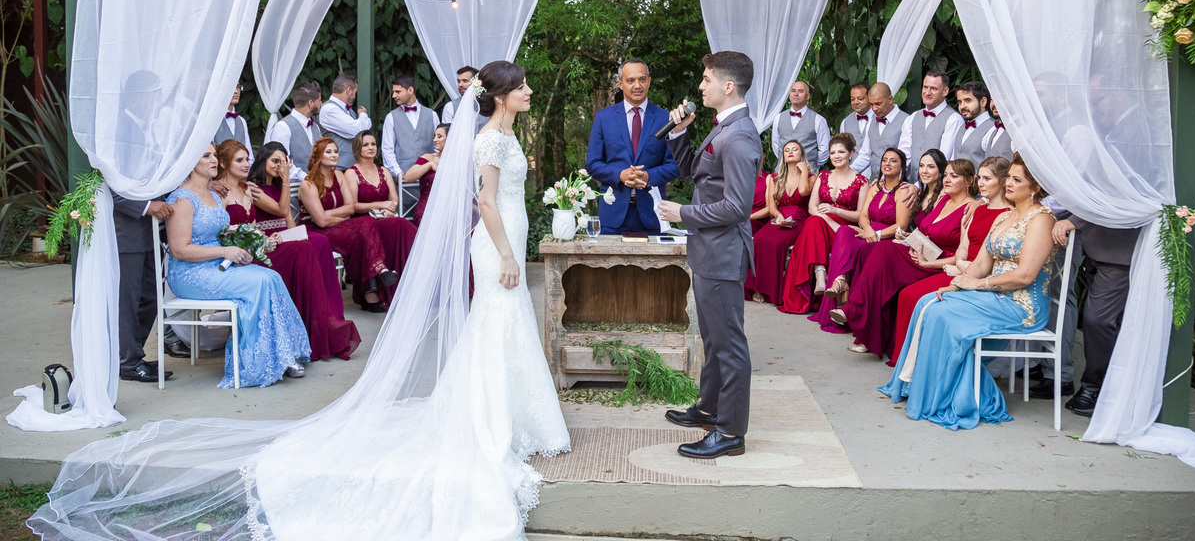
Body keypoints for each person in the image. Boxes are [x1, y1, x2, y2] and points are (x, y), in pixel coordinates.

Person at [27, 66, 572, 540]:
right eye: (520, 86)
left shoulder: (501, 136)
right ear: (499, 95)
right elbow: (484, 199)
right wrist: (504, 251)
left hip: (503, 232)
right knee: (492, 319)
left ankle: (509, 409)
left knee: (503, 321)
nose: (528, 91)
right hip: (491, 241)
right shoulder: (488, 143)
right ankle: (486, 412)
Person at [879, 153, 1057, 430]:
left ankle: (949, 395)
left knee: (944, 316)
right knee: (929, 300)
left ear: (1035, 188)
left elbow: (1025, 275)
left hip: (1021, 305)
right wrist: (954, 285)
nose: (1008, 183)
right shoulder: (1005, 216)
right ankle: (916, 385)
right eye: (1008, 177)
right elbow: (982, 263)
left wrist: (977, 285)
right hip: (991, 294)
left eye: (1016, 180)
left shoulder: (1042, 220)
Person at [658, 51, 762, 460]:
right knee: (713, 339)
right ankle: (708, 407)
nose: (700, 86)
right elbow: (694, 173)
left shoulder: (738, 136)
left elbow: (737, 206)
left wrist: (682, 213)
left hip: (722, 255)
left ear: (727, 86)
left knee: (729, 343)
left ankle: (731, 433)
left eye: (706, 79)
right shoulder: (724, 127)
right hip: (708, 251)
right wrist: (679, 131)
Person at [164, 144, 311, 387]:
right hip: (190, 273)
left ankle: (283, 352)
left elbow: (222, 235)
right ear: (190, 162)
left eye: (213, 155)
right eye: (206, 155)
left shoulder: (213, 195)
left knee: (270, 276)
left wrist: (244, 249)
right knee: (259, 282)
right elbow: (179, 249)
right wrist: (225, 251)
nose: (214, 160)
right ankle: (257, 362)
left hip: (218, 264)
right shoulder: (182, 199)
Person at [217, 140, 360, 363]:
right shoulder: (252, 187)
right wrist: (285, 180)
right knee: (306, 249)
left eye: (284, 162)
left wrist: (293, 234)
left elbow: (279, 219)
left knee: (317, 243)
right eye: (275, 161)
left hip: (270, 240)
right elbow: (280, 210)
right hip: (253, 248)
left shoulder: (246, 189)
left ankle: (328, 318)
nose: (280, 166)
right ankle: (314, 325)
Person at [835, 150, 970, 357]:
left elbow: (958, 246)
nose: (925, 170)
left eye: (931, 167)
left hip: (936, 260)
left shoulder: (951, 199)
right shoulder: (919, 192)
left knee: (880, 252)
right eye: (922, 166)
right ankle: (863, 327)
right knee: (876, 253)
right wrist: (908, 237)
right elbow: (921, 230)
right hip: (917, 248)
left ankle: (854, 309)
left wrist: (921, 253)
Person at [888, 157, 1012, 365]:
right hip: (959, 267)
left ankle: (922, 364)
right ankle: (904, 362)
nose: (981, 183)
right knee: (907, 294)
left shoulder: (1008, 215)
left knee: (918, 297)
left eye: (987, 178)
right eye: (980, 178)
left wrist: (959, 268)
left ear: (1002, 181)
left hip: (978, 274)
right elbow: (962, 247)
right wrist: (957, 265)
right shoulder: (976, 209)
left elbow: (989, 257)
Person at [810, 148, 911, 333]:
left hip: (886, 238)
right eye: (884, 160)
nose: (887, 164)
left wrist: (877, 235)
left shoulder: (904, 191)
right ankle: (840, 280)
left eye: (893, 161)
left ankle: (845, 298)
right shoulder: (876, 186)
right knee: (844, 232)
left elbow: (901, 226)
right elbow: (863, 215)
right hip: (869, 231)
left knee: (860, 249)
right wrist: (868, 229)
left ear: (902, 167)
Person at [1050, 214, 1140, 416]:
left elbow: (1115, 197)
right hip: (1096, 249)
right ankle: (1111, 389)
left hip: (1120, 251)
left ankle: (1095, 389)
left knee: (1098, 320)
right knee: (1109, 322)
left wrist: (1076, 221)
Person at [299, 137, 399, 313]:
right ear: (318, 156)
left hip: (337, 226)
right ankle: (375, 279)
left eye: (336, 151)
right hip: (317, 231)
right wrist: (338, 217)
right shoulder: (308, 184)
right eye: (328, 152)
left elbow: (350, 207)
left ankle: (375, 280)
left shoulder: (338, 175)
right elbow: (320, 222)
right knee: (364, 229)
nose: (334, 155)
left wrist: (329, 214)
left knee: (366, 225)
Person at [585, 58, 680, 234]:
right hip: (613, 215)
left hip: (653, 214)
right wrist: (620, 174)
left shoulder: (665, 119)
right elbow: (592, 164)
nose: (637, 85)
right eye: (631, 80)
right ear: (620, 84)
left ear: (649, 81)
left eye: (642, 79)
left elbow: (675, 165)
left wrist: (648, 176)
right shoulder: (604, 118)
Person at [778, 133, 868, 314]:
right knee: (813, 221)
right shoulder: (823, 176)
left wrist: (836, 211)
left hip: (844, 230)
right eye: (833, 152)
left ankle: (820, 275)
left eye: (841, 152)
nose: (836, 156)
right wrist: (827, 218)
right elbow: (812, 207)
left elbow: (860, 215)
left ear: (851, 154)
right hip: (820, 224)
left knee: (812, 224)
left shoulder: (861, 181)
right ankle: (820, 273)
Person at [113, 191, 178, 382]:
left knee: (151, 296)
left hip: (153, 235)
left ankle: (129, 354)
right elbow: (109, 190)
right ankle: (128, 361)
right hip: (126, 235)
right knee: (127, 303)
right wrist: (147, 206)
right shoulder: (114, 159)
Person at [744, 140, 812, 305]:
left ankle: (772, 291)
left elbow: (803, 191)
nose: (790, 152)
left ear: (801, 154)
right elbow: (772, 206)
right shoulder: (774, 178)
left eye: (795, 149)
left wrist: (803, 171)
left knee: (776, 243)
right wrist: (778, 215)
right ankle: (757, 288)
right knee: (760, 239)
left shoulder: (811, 177)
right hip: (779, 219)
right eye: (786, 150)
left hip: (800, 221)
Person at [348, 130, 419, 276]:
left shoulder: (384, 171)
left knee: (399, 224)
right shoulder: (351, 173)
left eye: (373, 144)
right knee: (401, 224)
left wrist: (390, 208)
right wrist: (381, 205)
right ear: (357, 148)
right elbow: (353, 206)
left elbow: (394, 198)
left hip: (387, 217)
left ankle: (409, 272)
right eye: (365, 144)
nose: (371, 147)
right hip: (364, 222)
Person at [380, 74, 438, 217]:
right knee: (405, 221)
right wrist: (399, 174)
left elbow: (438, 147)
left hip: (428, 183)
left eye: (398, 92)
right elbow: (387, 149)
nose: (393, 95)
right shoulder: (391, 117)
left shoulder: (432, 115)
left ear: (410, 90)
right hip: (403, 185)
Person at [266, 80, 323, 218]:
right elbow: (280, 162)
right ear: (310, 103)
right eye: (319, 100)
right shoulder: (283, 127)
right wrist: (306, 177)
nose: (321, 104)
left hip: (317, 190)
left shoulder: (315, 127)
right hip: (292, 192)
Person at [898, 70, 964, 181]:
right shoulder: (913, 117)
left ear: (945, 91)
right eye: (925, 87)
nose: (927, 92)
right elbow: (904, 153)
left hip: (937, 186)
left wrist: (919, 186)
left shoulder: (954, 119)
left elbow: (944, 159)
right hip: (910, 183)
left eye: (933, 89)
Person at [851, 82, 909, 181]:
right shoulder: (871, 121)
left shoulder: (907, 120)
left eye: (878, 104)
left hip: (898, 183)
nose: (874, 108)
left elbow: (906, 156)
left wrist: (885, 179)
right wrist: (847, 172)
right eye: (871, 104)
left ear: (890, 99)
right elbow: (865, 155)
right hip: (874, 183)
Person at [770, 80, 830, 171]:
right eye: (793, 91)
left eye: (800, 91)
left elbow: (825, 150)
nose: (796, 94)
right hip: (782, 173)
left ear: (808, 96)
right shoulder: (778, 118)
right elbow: (776, 146)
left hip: (809, 173)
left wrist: (811, 164)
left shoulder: (818, 120)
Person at [318, 73, 371, 171]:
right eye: (355, 92)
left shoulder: (349, 111)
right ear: (348, 90)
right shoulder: (329, 109)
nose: (355, 96)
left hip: (350, 169)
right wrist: (363, 115)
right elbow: (358, 131)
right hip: (336, 169)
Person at [403, 123, 449, 226]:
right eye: (434, 136)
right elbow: (407, 178)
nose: (435, 140)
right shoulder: (428, 158)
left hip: (450, 209)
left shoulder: (459, 161)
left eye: (439, 136)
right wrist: (429, 165)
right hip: (427, 209)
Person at [951, 81, 994, 168]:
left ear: (983, 102)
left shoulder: (993, 128)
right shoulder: (961, 127)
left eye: (968, 100)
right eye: (960, 102)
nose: (962, 106)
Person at [213, 82, 253, 165]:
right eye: (231, 86)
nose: (236, 91)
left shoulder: (242, 121)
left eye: (238, 87)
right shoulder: (213, 120)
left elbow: (249, 155)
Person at [840, 81, 872, 171]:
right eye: (853, 99)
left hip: (877, 174)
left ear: (870, 98)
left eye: (860, 98)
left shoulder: (880, 118)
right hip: (853, 173)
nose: (856, 102)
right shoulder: (845, 122)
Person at [749, 162, 771, 235]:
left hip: (757, 220)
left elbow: (769, 209)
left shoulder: (768, 178)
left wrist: (749, 217)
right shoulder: (739, 177)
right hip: (740, 218)